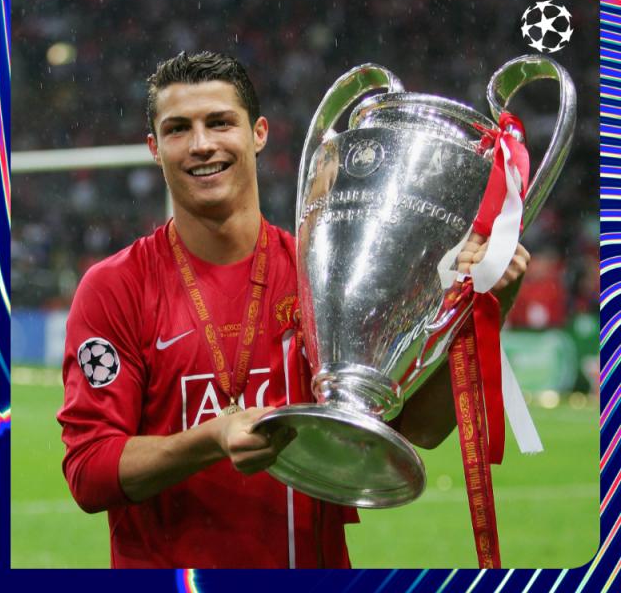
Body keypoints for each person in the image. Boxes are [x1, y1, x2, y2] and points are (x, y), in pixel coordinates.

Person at [57, 51, 529, 569]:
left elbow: (417, 431)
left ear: (258, 133)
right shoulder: (116, 288)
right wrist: (212, 439)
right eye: (178, 129)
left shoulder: (324, 273)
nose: (201, 144)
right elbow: (89, 471)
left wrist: (493, 301)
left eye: (220, 122)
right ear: (154, 147)